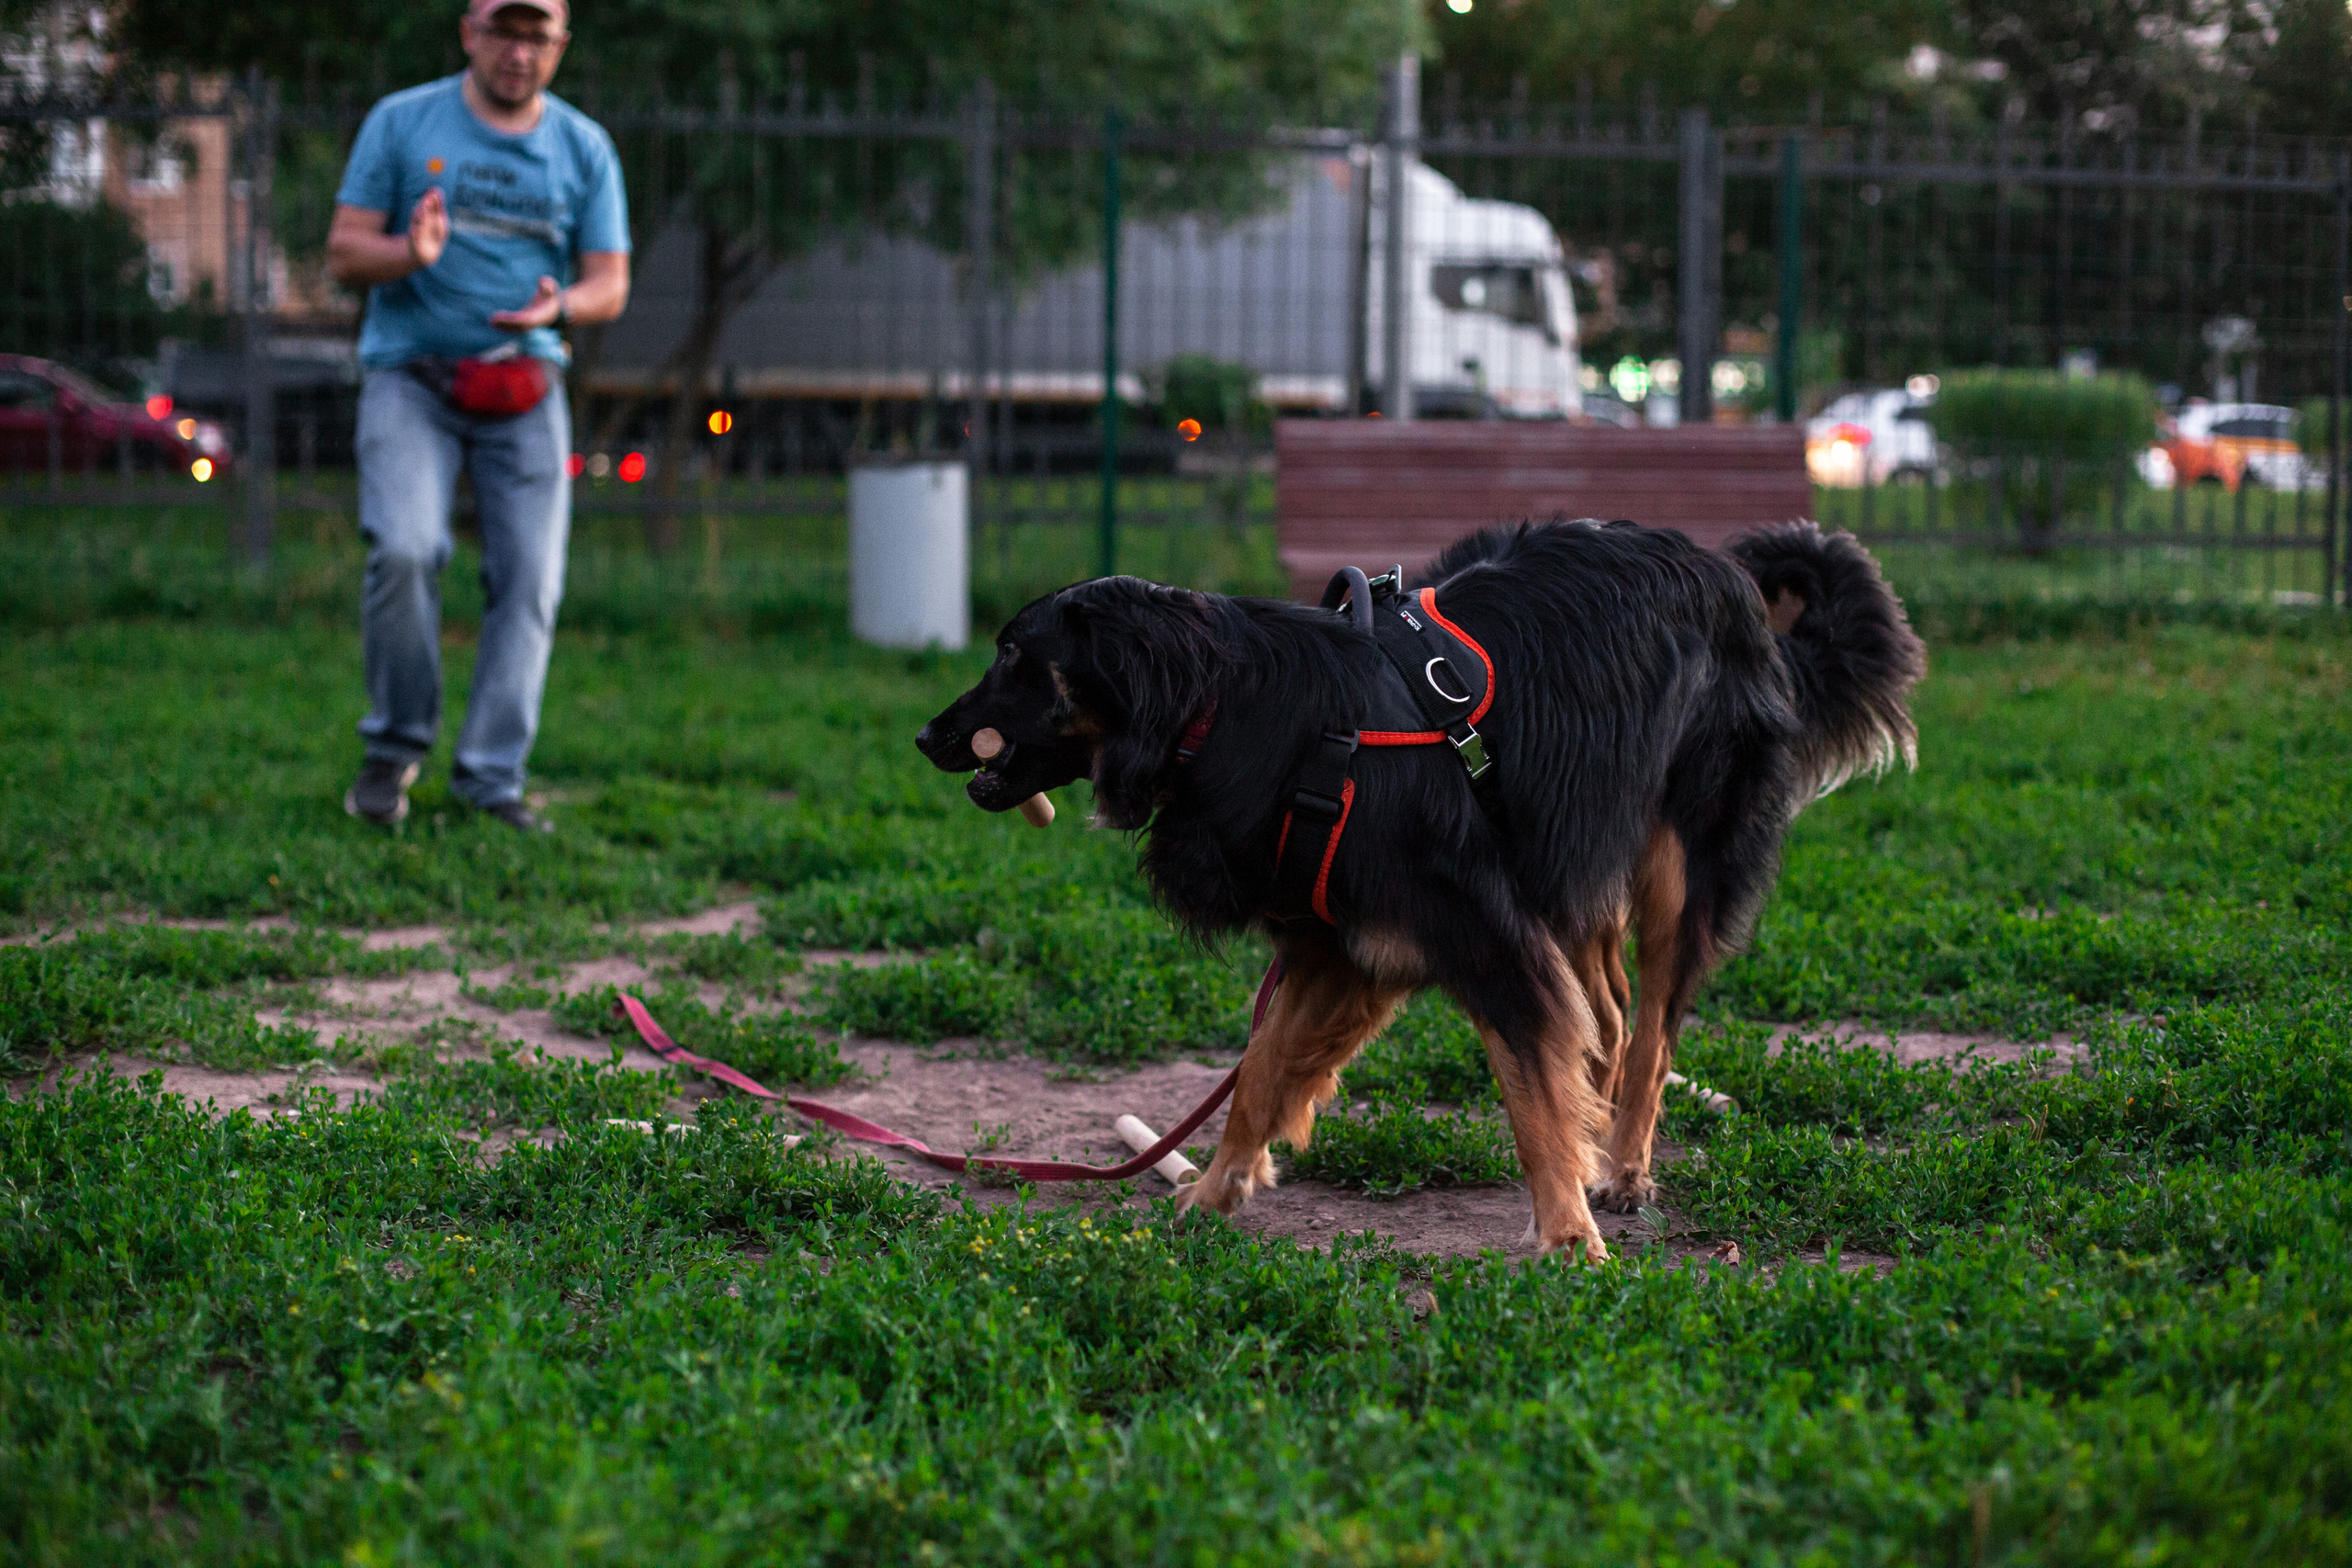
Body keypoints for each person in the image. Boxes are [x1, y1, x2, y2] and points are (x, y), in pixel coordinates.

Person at [326, 0, 628, 831]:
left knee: (531, 580)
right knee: (405, 548)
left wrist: (559, 305)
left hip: (525, 387)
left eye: (537, 35)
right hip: (410, 381)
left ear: (562, 44)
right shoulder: (402, 122)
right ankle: (393, 746)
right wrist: (407, 254)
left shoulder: (582, 147)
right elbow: (345, 250)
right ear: (468, 31)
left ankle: (491, 778)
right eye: (503, 29)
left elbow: (611, 281)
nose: (518, 51)